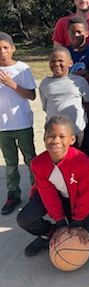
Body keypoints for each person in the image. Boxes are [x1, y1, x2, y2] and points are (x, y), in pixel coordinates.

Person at [17, 115, 89, 256]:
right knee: (24, 219)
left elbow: (85, 195)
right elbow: (48, 195)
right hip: (54, 195)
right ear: (44, 138)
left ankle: (83, 226)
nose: (55, 141)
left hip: (76, 198)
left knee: (80, 237)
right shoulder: (38, 164)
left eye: (61, 136)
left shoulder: (82, 161)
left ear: (72, 139)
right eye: (51, 136)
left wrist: (76, 223)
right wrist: (60, 224)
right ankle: (48, 232)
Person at [0, 32, 36, 215]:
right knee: (11, 163)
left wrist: (11, 84)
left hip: (22, 124)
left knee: (30, 160)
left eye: (5, 47)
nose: (2, 52)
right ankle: (13, 194)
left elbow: (31, 94)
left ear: (13, 49)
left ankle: (35, 193)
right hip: (3, 127)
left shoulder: (22, 68)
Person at [39, 47, 89, 147]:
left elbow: (87, 104)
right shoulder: (45, 84)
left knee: (77, 159)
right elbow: (46, 107)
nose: (56, 64)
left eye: (60, 61)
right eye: (53, 61)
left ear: (70, 63)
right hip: (55, 133)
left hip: (76, 130)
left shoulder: (79, 82)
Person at [67, 16, 89, 161]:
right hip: (68, 105)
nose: (75, 35)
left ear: (87, 33)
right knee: (69, 141)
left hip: (88, 104)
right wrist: (82, 74)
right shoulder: (64, 52)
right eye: (72, 32)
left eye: (79, 32)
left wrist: (73, 75)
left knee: (88, 141)